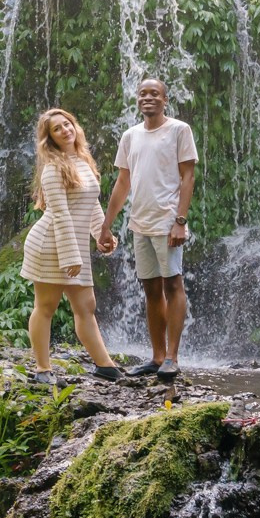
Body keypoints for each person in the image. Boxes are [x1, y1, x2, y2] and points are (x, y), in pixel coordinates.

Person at [19, 108, 124, 383]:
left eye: (68, 124)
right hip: (51, 244)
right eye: (57, 128)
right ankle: (43, 370)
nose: (65, 130)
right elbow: (62, 214)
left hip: (72, 244)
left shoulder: (82, 160)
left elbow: (90, 205)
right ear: (49, 138)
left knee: (86, 305)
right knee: (46, 306)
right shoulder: (53, 168)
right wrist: (70, 257)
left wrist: (102, 234)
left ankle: (105, 365)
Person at [102, 78, 198, 379]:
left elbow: (188, 177)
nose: (148, 98)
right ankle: (156, 357)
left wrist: (180, 221)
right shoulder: (130, 136)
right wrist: (106, 225)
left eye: (154, 94)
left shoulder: (179, 130)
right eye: (143, 93)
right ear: (137, 99)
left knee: (173, 285)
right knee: (151, 290)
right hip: (139, 222)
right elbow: (122, 182)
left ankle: (172, 357)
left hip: (167, 220)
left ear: (165, 99)